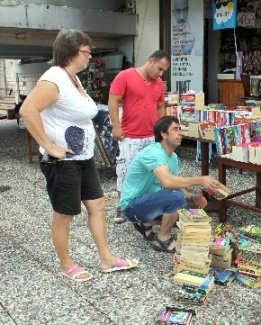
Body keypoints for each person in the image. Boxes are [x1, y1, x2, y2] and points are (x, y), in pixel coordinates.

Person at [20, 29, 138, 282]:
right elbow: (28, 110)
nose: (90, 55)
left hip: (83, 158)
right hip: (62, 162)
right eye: (86, 51)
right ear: (72, 52)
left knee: (97, 204)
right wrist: (50, 146)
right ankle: (66, 263)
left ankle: (106, 258)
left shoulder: (73, 78)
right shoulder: (54, 78)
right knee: (65, 214)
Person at [119, 116, 221, 253]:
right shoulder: (154, 152)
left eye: (180, 129)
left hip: (149, 201)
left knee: (188, 209)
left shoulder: (172, 157)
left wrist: (192, 197)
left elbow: (174, 185)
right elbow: (167, 182)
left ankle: (145, 224)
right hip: (131, 206)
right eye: (175, 129)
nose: (180, 133)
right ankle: (163, 239)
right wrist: (200, 180)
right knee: (176, 198)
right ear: (163, 134)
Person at [108, 50, 170, 224]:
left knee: (152, 174)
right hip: (130, 136)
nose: (160, 73)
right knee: (125, 172)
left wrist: (162, 131)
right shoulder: (125, 76)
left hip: (151, 136)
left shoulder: (158, 83)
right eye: (159, 68)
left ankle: (148, 207)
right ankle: (121, 207)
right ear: (150, 61)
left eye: (163, 70)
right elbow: (113, 101)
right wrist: (116, 126)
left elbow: (160, 106)